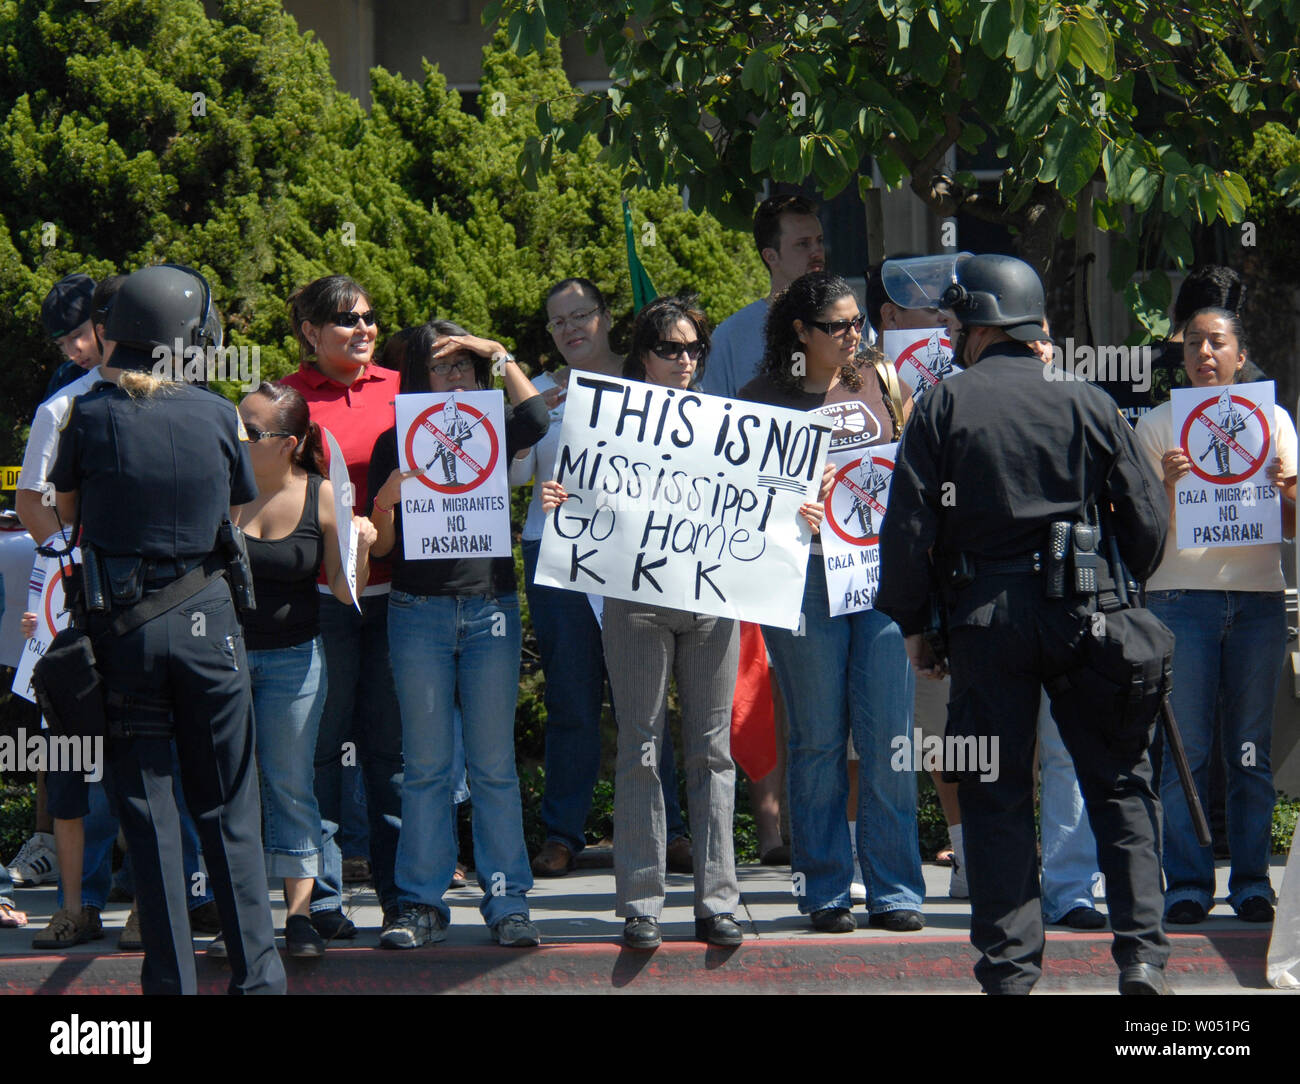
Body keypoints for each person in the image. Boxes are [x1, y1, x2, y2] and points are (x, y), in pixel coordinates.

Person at [876, 252, 1170, 995]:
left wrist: (914, 623)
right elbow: (1146, 519)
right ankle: (1141, 957)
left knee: (995, 793)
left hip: (986, 622)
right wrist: (1119, 580)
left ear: (976, 323)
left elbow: (908, 528)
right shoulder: (1087, 399)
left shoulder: (943, 403)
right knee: (1119, 785)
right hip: (1087, 610)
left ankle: (1010, 974)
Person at [49, 263, 284, 995]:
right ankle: (258, 983)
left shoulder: (86, 415)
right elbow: (237, 507)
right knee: (231, 817)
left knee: (149, 820)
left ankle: (171, 990)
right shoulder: (218, 414)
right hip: (210, 626)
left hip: (124, 631)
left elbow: (64, 511)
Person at [542, 294, 753, 948]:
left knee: (712, 750)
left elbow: (759, 501)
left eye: (695, 348)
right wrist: (559, 499)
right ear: (643, 354)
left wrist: (793, 519)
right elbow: (577, 495)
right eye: (671, 348)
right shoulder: (606, 419)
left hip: (712, 598)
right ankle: (641, 904)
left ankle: (717, 900)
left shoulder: (726, 420)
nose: (685, 360)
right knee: (639, 744)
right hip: (633, 600)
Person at [741, 271, 925, 934]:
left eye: (858, 323)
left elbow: (919, 474)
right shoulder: (760, 399)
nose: (854, 335)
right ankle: (823, 889)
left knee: (887, 737)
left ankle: (895, 889)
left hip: (878, 577)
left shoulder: (887, 382)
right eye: (838, 326)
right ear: (800, 332)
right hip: (803, 582)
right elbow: (738, 505)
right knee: (817, 739)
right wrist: (787, 497)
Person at [369, 320, 547, 948]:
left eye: (464, 366)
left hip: (490, 609)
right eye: (441, 366)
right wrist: (384, 505)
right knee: (426, 767)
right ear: (418, 375)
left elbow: (537, 417)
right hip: (417, 610)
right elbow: (383, 548)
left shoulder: (492, 428)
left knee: (495, 764)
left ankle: (508, 900)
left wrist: (498, 354)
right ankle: (419, 903)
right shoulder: (396, 439)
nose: (455, 376)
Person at [510, 277, 692, 878]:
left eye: (580, 315)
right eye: (557, 321)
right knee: (571, 698)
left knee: (646, 700)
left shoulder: (650, 381)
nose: (570, 329)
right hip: (557, 559)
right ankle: (563, 832)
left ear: (607, 317)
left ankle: (668, 828)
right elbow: (511, 478)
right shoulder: (538, 392)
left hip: (638, 557)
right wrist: (533, 421)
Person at [1134, 307, 1296, 924]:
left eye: (1217, 342)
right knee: (1186, 750)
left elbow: (1291, 524)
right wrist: (1165, 489)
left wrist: (1289, 491)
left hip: (1257, 600)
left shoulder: (1273, 420)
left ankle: (1253, 882)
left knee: (1251, 749)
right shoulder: (1157, 426)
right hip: (1179, 600)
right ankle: (1188, 886)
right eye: (1195, 342)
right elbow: (1134, 527)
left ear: (1238, 353)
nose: (1205, 351)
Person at [233, 381, 378, 956]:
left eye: (251, 430)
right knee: (231, 789)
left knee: (291, 785)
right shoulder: (221, 491)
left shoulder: (321, 494)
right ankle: (240, 914)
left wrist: (362, 543)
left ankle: (298, 917)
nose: (238, 436)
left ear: (288, 442)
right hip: (226, 658)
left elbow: (347, 593)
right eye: (237, 425)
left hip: (296, 658)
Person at [280, 275, 404, 940]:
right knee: (322, 755)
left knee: (389, 758)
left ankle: (402, 899)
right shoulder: (287, 401)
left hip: (398, 598)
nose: (363, 330)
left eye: (369, 318)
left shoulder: (401, 387)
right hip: (323, 601)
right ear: (309, 332)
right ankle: (322, 900)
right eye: (345, 322)